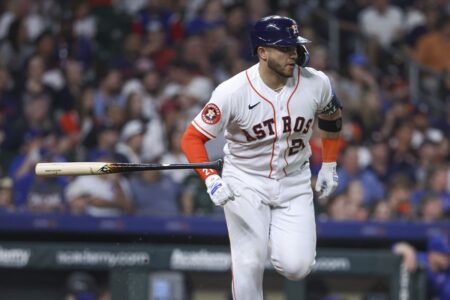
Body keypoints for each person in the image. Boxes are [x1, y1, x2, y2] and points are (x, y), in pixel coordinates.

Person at [181, 15, 343, 299]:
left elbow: (332, 118)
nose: (293, 54)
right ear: (262, 52)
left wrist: (329, 163)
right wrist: (211, 180)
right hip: (245, 180)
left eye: (295, 46)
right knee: (249, 262)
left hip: (294, 180)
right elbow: (192, 138)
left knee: (298, 266)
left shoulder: (316, 83)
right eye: (284, 48)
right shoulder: (232, 92)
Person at [393, 233, 450, 300]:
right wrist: (407, 251)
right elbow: (395, 248)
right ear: (433, 253)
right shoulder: (419, 259)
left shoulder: (447, 272)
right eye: (444, 254)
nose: (448, 257)